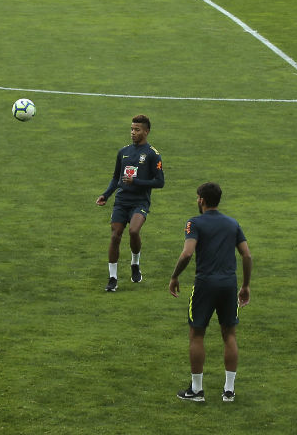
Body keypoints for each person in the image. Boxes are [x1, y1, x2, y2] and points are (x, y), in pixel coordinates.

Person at [169, 182, 252, 402]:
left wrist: (175, 276)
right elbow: (246, 255)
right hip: (228, 284)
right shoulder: (232, 224)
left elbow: (187, 254)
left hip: (205, 284)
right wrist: (245, 285)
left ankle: (197, 390)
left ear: (201, 200)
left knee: (197, 334)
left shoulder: (194, 223)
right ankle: (229, 390)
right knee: (229, 335)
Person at [95, 114, 164, 291]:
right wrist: (106, 195)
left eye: (137, 130)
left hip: (140, 201)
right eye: (132, 129)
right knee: (115, 236)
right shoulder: (123, 152)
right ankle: (112, 278)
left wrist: (137, 182)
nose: (133, 133)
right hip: (121, 201)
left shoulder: (152, 155)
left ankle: (135, 263)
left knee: (134, 231)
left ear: (146, 132)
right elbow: (116, 178)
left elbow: (159, 182)